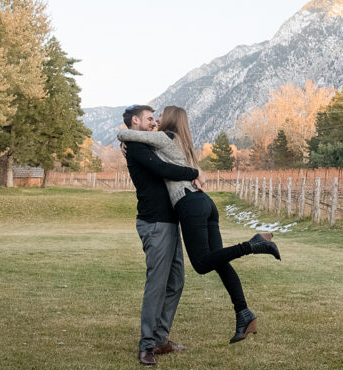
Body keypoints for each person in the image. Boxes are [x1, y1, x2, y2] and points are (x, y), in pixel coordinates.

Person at [118, 107, 281, 344]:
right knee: (219, 260)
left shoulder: (165, 137)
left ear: (170, 119)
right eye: (152, 118)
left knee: (203, 264)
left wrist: (121, 138)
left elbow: (130, 136)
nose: (157, 120)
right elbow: (142, 150)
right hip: (205, 203)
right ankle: (243, 312)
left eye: (160, 116)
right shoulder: (181, 140)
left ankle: (253, 244)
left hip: (189, 203)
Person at [122, 104, 200, 367]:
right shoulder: (136, 146)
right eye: (149, 119)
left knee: (176, 281)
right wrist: (194, 174)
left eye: (155, 118)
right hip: (155, 223)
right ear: (135, 121)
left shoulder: (148, 143)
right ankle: (146, 345)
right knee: (157, 285)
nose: (154, 122)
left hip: (170, 221)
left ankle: (160, 338)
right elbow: (165, 169)